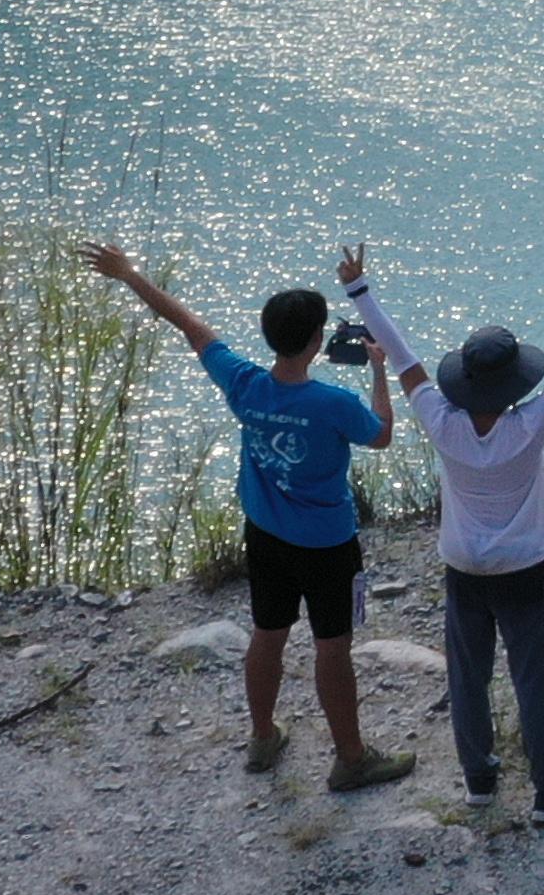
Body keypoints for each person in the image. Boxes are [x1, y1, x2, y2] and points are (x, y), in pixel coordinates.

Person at [83, 237, 414, 796]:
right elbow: (380, 436)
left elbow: (187, 323)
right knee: (332, 646)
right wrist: (381, 373)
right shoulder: (332, 404)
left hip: (265, 535)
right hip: (328, 545)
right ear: (316, 342)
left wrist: (128, 275)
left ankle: (262, 737)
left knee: (268, 633)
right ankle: (350, 759)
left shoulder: (243, 384)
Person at [344, 249, 544, 823]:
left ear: (463, 380)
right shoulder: (531, 424)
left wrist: (359, 288)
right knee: (532, 681)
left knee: (468, 677)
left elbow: (403, 354)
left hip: (463, 568)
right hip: (524, 569)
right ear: (515, 383)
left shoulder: (442, 422)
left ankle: (480, 781)